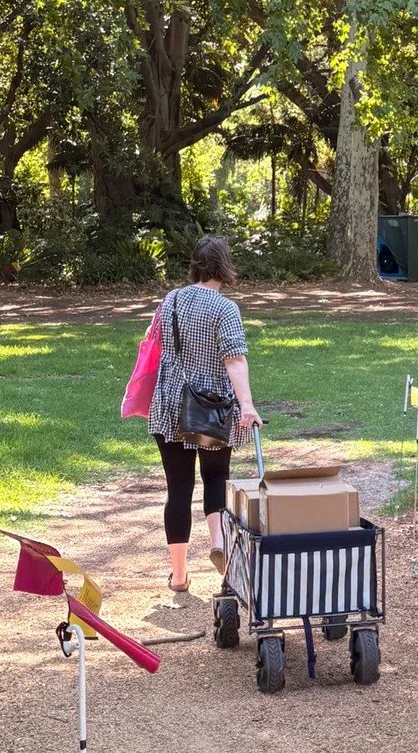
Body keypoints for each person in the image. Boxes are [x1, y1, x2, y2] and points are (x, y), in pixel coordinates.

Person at [148, 234, 263, 593]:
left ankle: (179, 576)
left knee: (177, 490)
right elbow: (235, 358)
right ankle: (218, 544)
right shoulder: (224, 308)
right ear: (224, 266)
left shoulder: (171, 301)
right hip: (211, 410)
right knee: (216, 478)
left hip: (170, 405)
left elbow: (158, 344)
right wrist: (246, 404)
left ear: (195, 264)